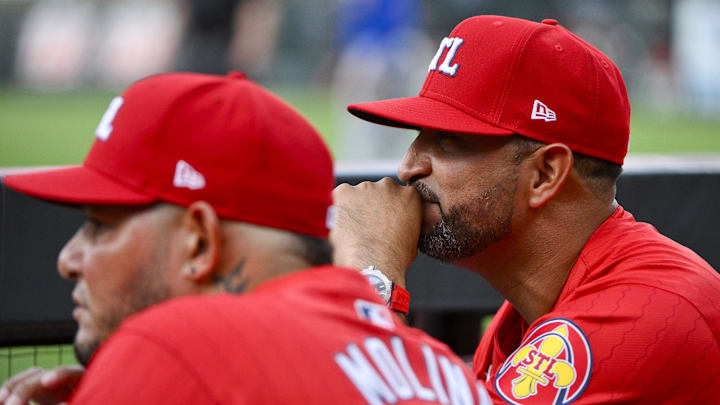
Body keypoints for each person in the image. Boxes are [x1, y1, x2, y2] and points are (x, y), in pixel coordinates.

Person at [0, 72, 490, 404]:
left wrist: (144, 379)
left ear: (198, 242)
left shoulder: (171, 352)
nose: (69, 258)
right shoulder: (442, 372)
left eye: (101, 226)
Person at [331, 15, 720, 404]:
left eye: (449, 141)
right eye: (419, 137)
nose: (408, 166)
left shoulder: (638, 316)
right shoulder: (529, 314)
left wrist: (374, 275)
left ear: (545, 174)